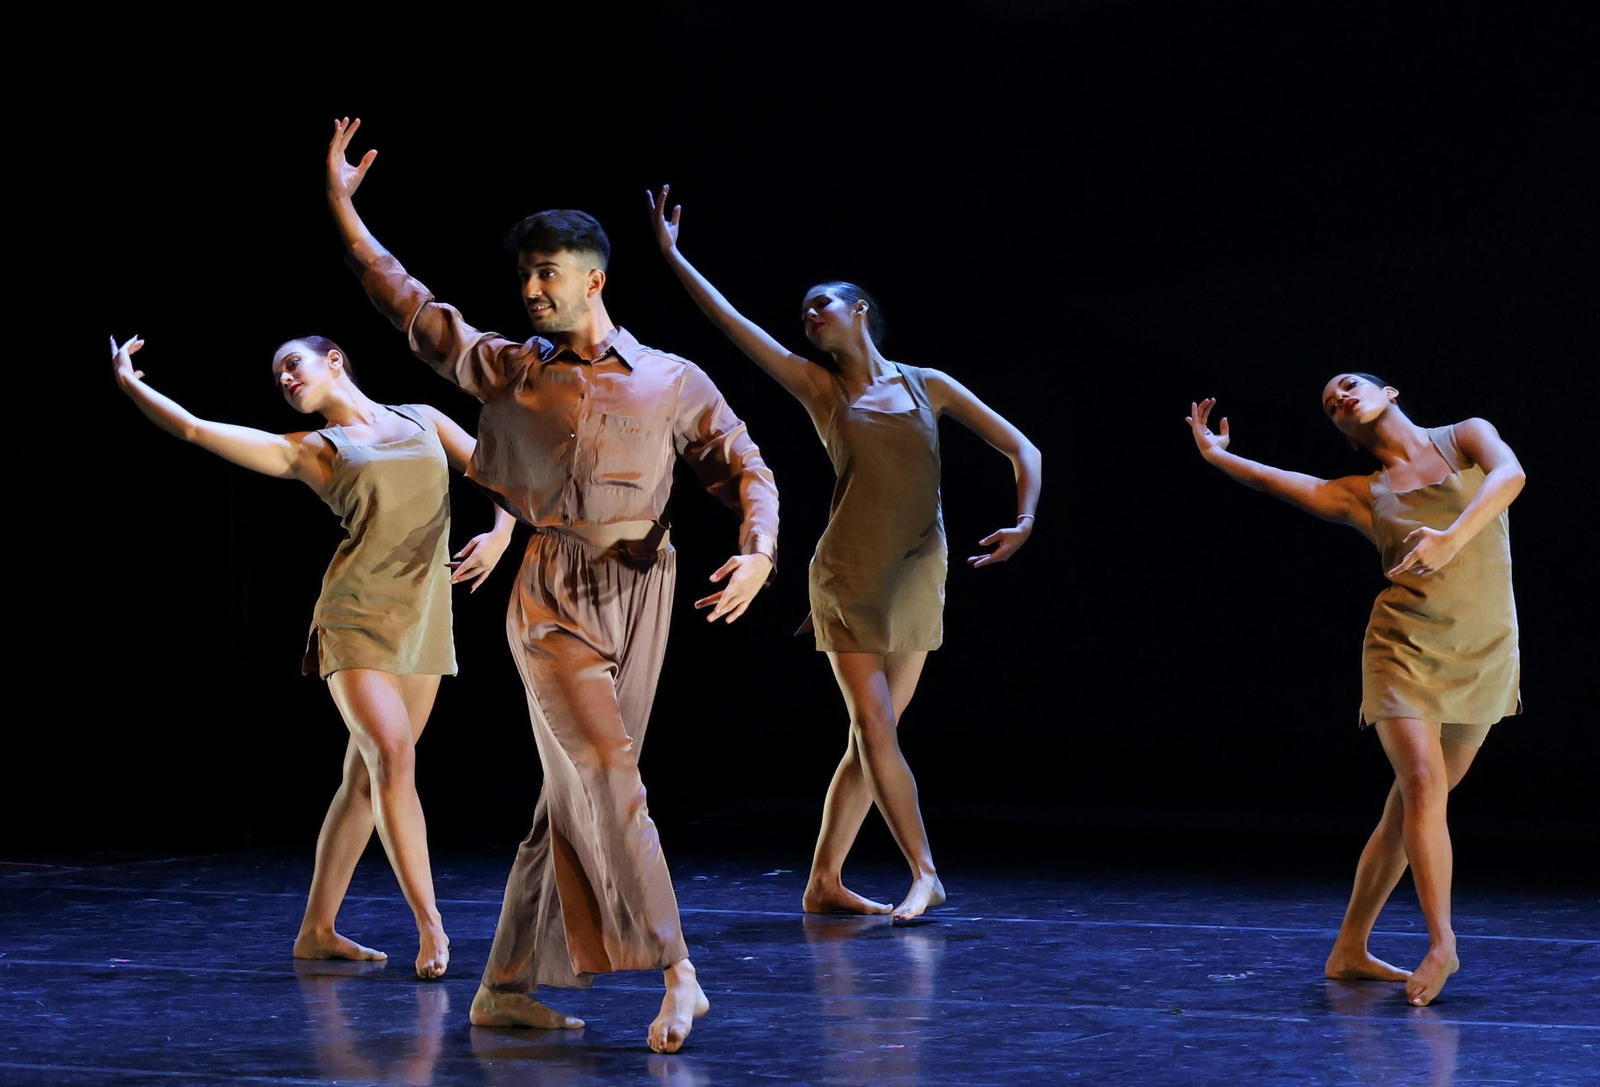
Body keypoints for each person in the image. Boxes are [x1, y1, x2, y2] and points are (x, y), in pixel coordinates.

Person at [326, 120, 780, 1053]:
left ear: (593, 280)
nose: (531, 289)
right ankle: (678, 970)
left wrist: (761, 547)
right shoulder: (508, 368)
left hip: (646, 587)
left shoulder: (671, 380)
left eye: (549, 273)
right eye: (525, 274)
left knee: (570, 794)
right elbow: (410, 307)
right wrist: (343, 207)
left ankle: (501, 988)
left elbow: (747, 464)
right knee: (612, 775)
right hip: (551, 597)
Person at [648, 185, 1042, 921]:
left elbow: (1024, 446)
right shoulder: (821, 390)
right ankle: (926, 869)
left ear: (859, 310)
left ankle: (824, 880)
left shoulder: (928, 386)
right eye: (803, 312)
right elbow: (733, 325)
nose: (808, 317)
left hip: (922, 566)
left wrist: (1023, 518)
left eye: (820, 304)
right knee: (874, 728)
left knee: (873, 741)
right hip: (848, 573)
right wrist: (675, 258)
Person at [110, 332, 515, 979]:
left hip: (426, 618)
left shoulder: (423, 419)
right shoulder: (312, 450)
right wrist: (133, 385)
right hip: (354, 617)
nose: (286, 379)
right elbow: (192, 430)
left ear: (334, 359)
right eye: (278, 377)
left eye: (292, 364)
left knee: (364, 780)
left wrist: (501, 532)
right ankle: (431, 924)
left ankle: (317, 930)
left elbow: (501, 478)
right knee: (393, 755)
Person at [1185, 375, 1524, 1006]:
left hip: (1484, 651)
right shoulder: (1363, 495)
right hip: (1403, 648)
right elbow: (1279, 483)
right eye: (1329, 404)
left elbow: (1512, 476)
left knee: (1409, 809)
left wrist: (1450, 539)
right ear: (1343, 432)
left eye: (1347, 385)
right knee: (1422, 785)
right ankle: (1442, 941)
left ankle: (1348, 951)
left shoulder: (1467, 436)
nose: (1339, 395)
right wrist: (1217, 455)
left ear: (1389, 391)